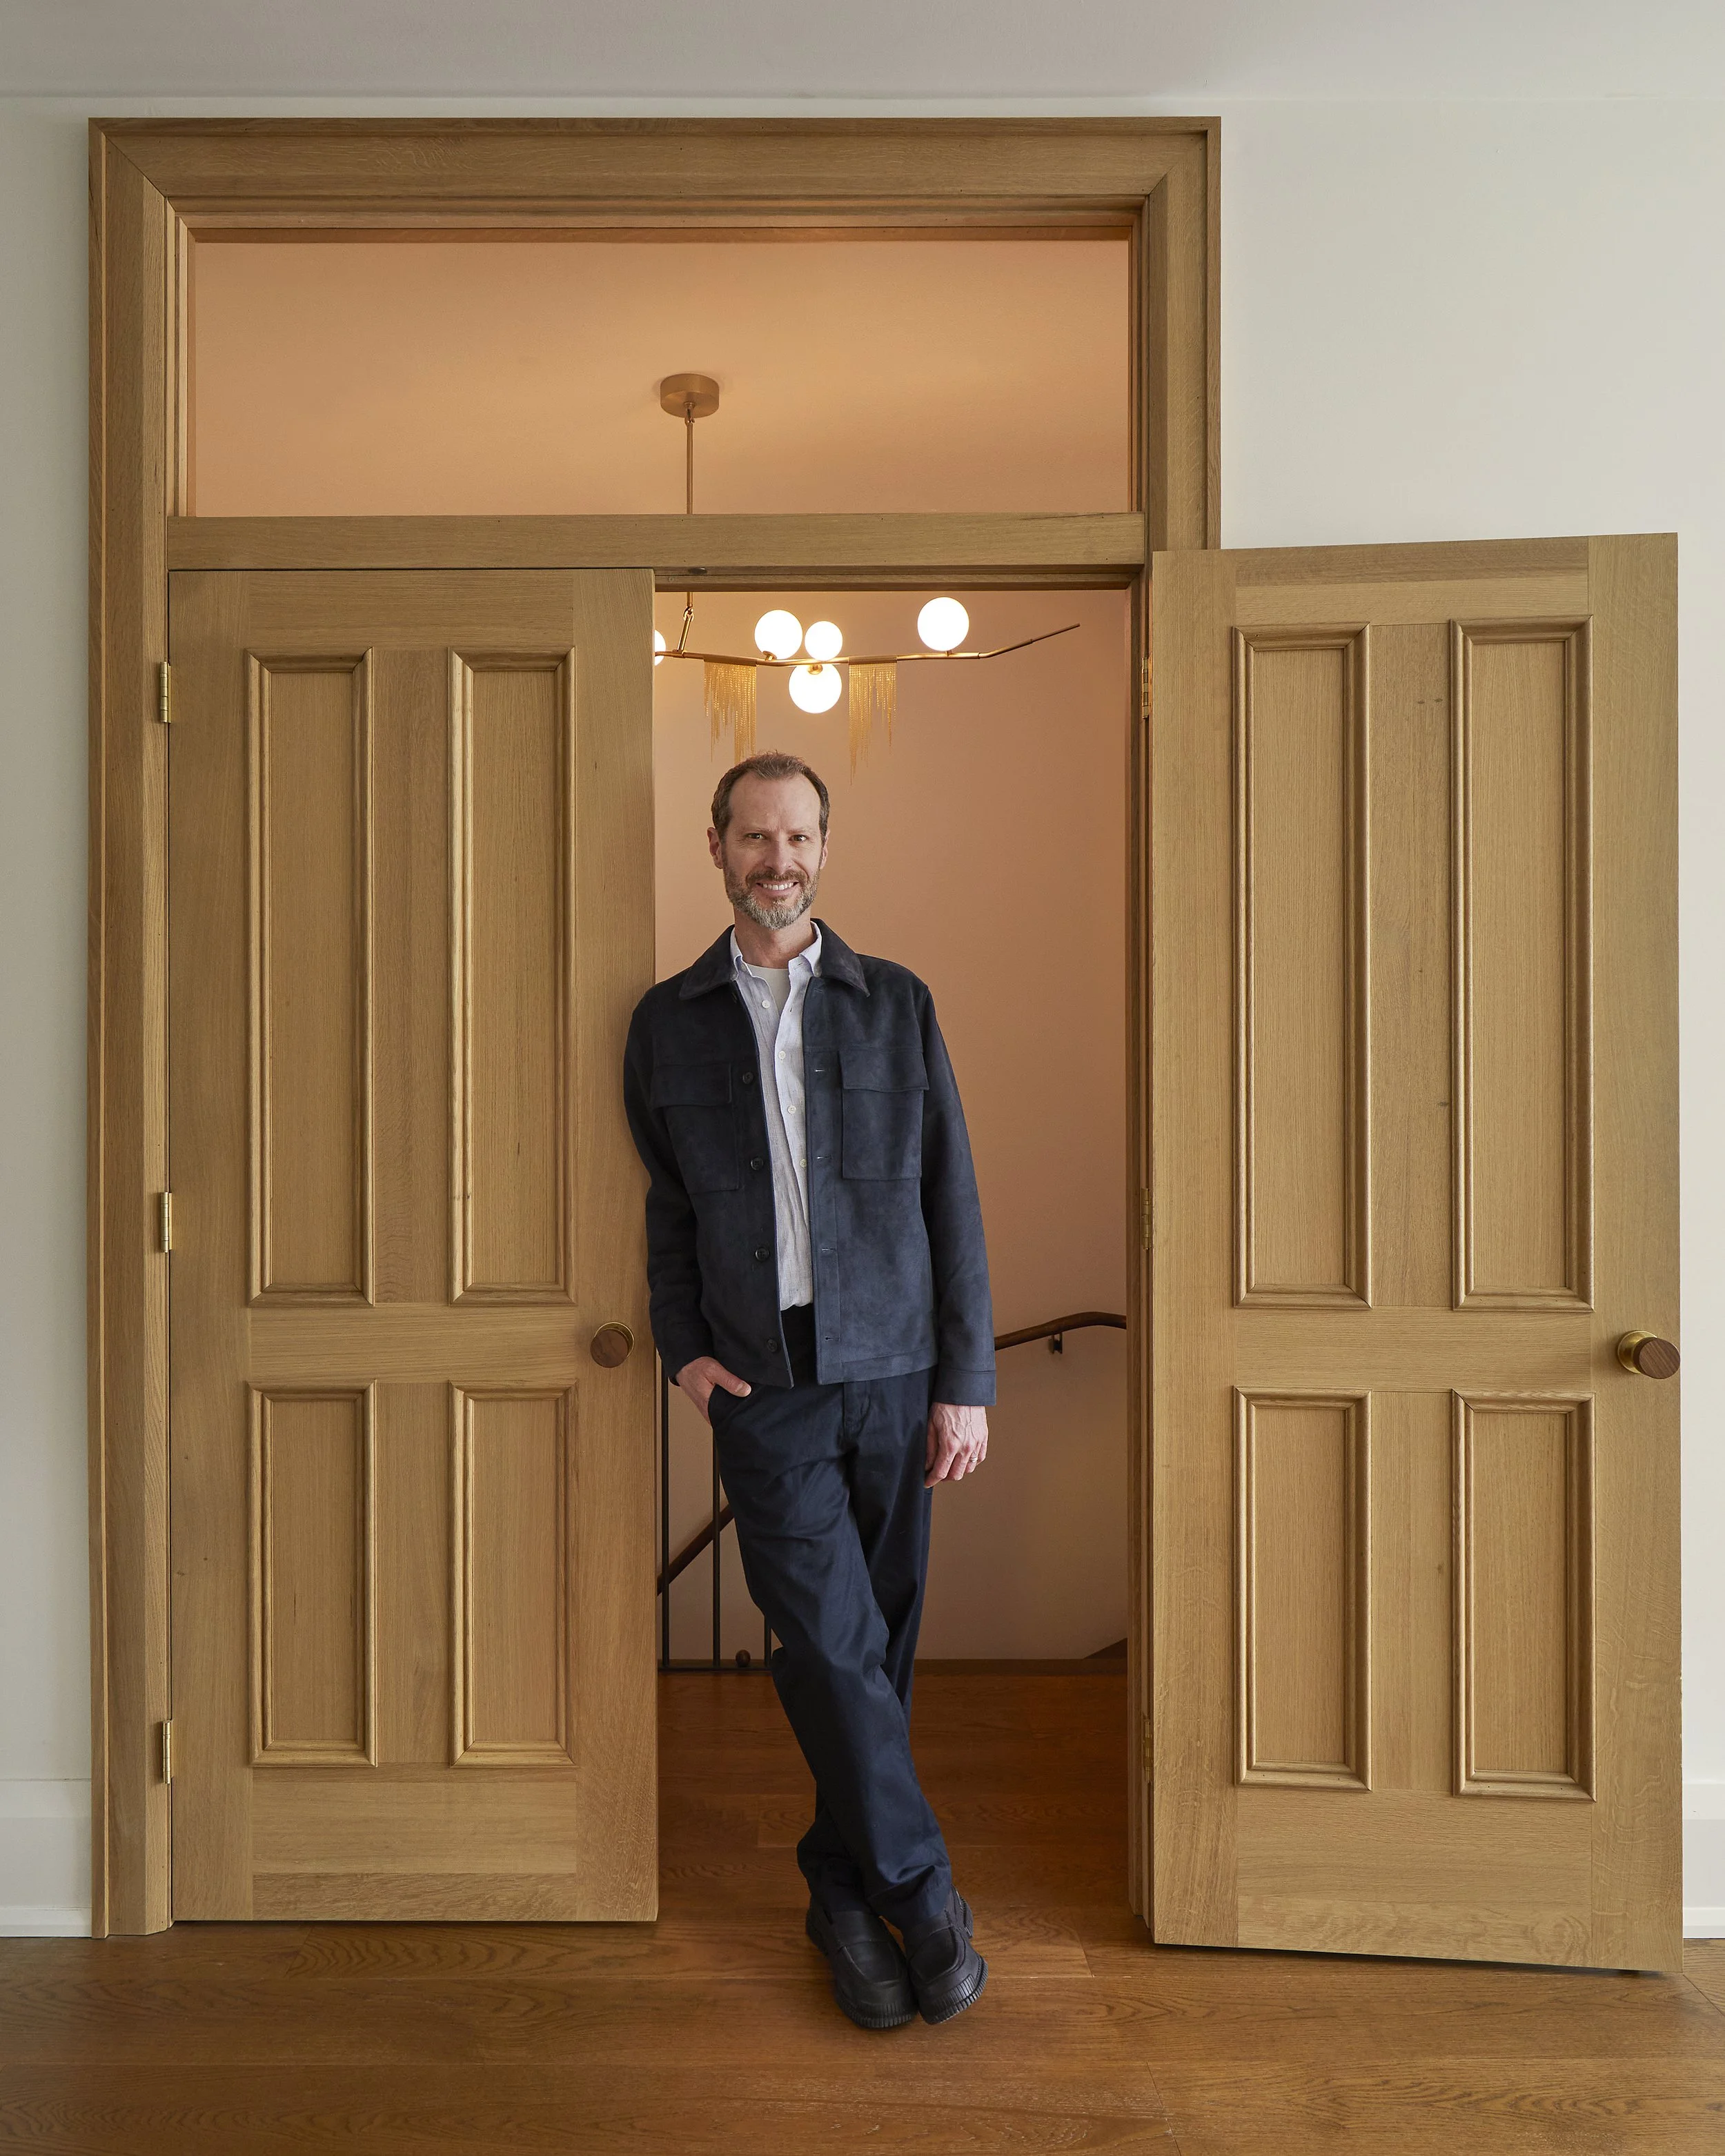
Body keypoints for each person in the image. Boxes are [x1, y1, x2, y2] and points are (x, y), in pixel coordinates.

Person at [623, 750, 994, 2030]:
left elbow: (952, 1200)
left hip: (896, 1374)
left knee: (876, 1652)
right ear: (715, 848)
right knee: (828, 1644)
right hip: (763, 1387)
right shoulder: (667, 1020)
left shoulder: (897, 1003)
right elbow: (667, 1214)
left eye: (798, 839)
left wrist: (967, 1383)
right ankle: (922, 1889)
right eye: (753, 839)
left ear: (825, 850)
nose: (776, 861)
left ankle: (841, 1895)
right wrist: (682, 1353)